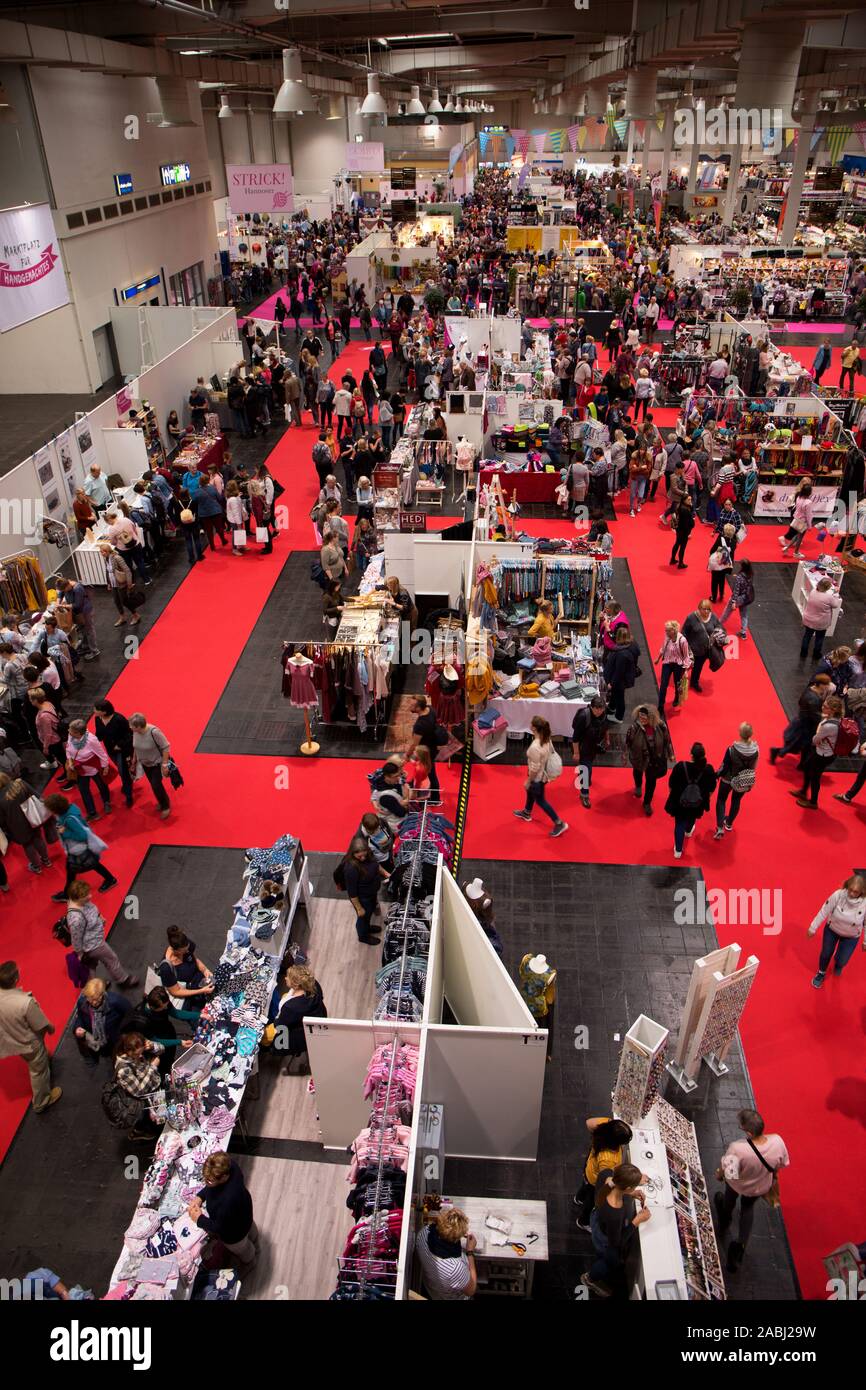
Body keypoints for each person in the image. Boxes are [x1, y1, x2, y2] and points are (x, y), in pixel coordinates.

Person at [715, 1109, 789, 1273]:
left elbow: (730, 1173)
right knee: (748, 1209)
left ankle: (725, 1218)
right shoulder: (777, 1141)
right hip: (760, 1186)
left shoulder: (738, 1149)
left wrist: (719, 1174)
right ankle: (740, 1244)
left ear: (748, 1132)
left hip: (737, 1184)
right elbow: (781, 1163)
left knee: (729, 1199)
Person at [581, 1163, 651, 1299]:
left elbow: (610, 1189)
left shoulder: (606, 1177)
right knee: (609, 1262)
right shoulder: (615, 1213)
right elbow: (617, 1242)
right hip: (605, 1239)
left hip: (596, 1219)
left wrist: (630, 1193)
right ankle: (590, 1279)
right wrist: (637, 1220)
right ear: (628, 1187)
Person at [0, 961, 61, 1113]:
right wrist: (51, 1027)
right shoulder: (25, 1003)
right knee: (38, 1071)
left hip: (11, 1038)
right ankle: (41, 1101)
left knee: (36, 1060)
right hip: (29, 1043)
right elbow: (40, 1024)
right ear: (15, 979)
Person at [189, 1152, 259, 1272]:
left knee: (244, 1249)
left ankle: (251, 1262)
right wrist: (200, 1196)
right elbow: (211, 1186)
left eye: (210, 1181)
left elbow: (219, 1227)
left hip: (234, 1234)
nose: (207, 1182)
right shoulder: (230, 1165)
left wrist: (198, 1218)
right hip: (245, 1211)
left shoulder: (227, 1200)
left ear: (224, 1177)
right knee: (250, 1230)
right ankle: (255, 1240)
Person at [66, 878, 138, 986]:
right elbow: (76, 938)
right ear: (78, 898)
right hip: (93, 945)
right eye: (86, 895)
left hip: (93, 942)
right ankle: (123, 979)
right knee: (111, 959)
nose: (90, 896)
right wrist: (80, 953)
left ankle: (94, 988)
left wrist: (100, 917)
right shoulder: (76, 919)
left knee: (91, 968)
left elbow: (91, 909)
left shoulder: (82, 903)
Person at [573, 1116, 634, 1232]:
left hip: (589, 1169)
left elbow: (588, 1122)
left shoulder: (605, 1128)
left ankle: (579, 1198)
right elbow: (605, 1180)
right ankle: (583, 1221)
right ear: (616, 1142)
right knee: (590, 1202)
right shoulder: (607, 1159)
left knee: (585, 1186)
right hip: (595, 1183)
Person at [513, 715, 568, 838]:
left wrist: (528, 780)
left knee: (541, 801)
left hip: (537, 778)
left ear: (533, 728)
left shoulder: (535, 747)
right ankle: (527, 812)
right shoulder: (546, 738)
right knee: (531, 792)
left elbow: (534, 768)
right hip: (544, 775)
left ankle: (559, 823)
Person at [807, 874, 866, 989]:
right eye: (850, 890)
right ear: (847, 886)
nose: (852, 893)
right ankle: (821, 973)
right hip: (832, 930)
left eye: (856, 892)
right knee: (826, 953)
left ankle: (838, 964)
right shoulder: (838, 895)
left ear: (862, 892)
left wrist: (865, 941)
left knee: (842, 960)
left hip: (851, 936)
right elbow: (824, 910)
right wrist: (813, 927)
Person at [268, 963, 327, 1073]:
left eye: (288, 977)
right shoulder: (314, 984)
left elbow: (280, 1025)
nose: (285, 978)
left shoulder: (291, 1007)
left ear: (295, 984)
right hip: (317, 1020)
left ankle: (270, 1053)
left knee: (264, 1036)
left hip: (297, 1035)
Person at [666, 741, 717, 858]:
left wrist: (674, 797)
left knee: (679, 823)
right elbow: (712, 788)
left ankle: (678, 851)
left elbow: (671, 784)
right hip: (697, 802)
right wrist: (705, 798)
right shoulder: (708, 769)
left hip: (680, 803)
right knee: (692, 817)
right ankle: (688, 831)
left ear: (691, 755)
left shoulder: (680, 766)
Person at [769, 673, 833, 766]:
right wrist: (826, 716)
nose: (828, 686)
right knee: (796, 745)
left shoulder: (810, 689)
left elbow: (801, 703)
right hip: (805, 725)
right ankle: (777, 751)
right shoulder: (813, 698)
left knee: (804, 746)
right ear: (821, 684)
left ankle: (802, 764)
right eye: (826, 684)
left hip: (803, 721)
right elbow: (815, 715)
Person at [791, 694, 843, 809]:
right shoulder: (838, 720)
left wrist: (820, 725)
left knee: (815, 777)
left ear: (832, 710)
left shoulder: (828, 726)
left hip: (822, 755)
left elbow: (815, 740)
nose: (822, 708)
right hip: (827, 753)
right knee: (807, 767)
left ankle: (813, 802)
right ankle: (804, 791)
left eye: (825, 706)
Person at [415, 1207, 477, 1301]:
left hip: (431, 1288)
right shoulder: (455, 1268)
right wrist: (470, 1252)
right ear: (457, 1237)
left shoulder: (424, 1233)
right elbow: (471, 1290)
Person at [113, 1032, 163, 1141]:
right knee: (144, 1118)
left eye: (142, 1052)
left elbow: (162, 1049)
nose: (141, 1056)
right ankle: (139, 1132)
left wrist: (153, 1046)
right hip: (142, 1100)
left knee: (154, 1116)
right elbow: (139, 1091)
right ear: (128, 1051)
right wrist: (152, 1068)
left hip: (152, 1090)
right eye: (137, 1054)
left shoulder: (137, 1045)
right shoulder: (124, 1069)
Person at [624, 705, 673, 816]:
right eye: (640, 717)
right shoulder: (634, 728)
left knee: (651, 783)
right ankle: (638, 786)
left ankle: (647, 803)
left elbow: (667, 741)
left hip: (654, 760)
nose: (642, 719)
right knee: (637, 772)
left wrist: (670, 754)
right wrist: (625, 755)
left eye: (644, 718)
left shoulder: (661, 726)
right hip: (639, 758)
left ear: (651, 717)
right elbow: (628, 742)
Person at [0, 773, 53, 874]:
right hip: (32, 818)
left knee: (28, 845)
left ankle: (37, 867)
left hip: (16, 827)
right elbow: (37, 795)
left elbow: (1, 820)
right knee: (38, 838)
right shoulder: (20, 783)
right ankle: (47, 861)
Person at [73, 977, 132, 1067]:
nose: (93, 1002)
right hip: (93, 1037)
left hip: (113, 1040)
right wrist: (78, 1027)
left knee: (115, 1058)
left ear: (103, 994)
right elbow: (80, 1017)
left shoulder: (115, 1001)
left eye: (96, 998)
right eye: (90, 999)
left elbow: (130, 1013)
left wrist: (122, 1032)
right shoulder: (82, 1002)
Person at [714, 722, 759, 839]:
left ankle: (719, 828)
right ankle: (729, 823)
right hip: (743, 779)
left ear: (740, 733)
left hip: (728, 779)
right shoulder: (755, 750)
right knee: (736, 800)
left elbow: (725, 766)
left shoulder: (732, 749)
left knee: (721, 800)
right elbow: (754, 766)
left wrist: (717, 774)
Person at [343, 834, 390, 944]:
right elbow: (352, 892)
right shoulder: (351, 869)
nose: (363, 858)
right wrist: (359, 908)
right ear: (353, 854)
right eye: (359, 857)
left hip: (372, 893)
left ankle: (367, 928)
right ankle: (363, 936)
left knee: (368, 914)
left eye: (364, 855)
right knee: (363, 917)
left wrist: (385, 873)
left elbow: (376, 865)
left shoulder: (369, 855)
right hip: (362, 898)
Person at [64, 718, 112, 821]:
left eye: (71, 730)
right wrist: (70, 760)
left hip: (93, 767)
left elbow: (102, 754)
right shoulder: (71, 736)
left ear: (78, 733)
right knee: (83, 790)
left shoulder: (91, 740)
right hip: (79, 769)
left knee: (102, 785)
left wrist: (105, 767)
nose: (68, 731)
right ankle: (92, 812)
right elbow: (68, 748)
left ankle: (106, 802)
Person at [158, 925, 214, 1009]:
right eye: (184, 951)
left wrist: (206, 970)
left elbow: (195, 959)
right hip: (189, 995)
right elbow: (175, 992)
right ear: (175, 950)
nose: (187, 951)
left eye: (187, 948)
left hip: (202, 983)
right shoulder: (166, 968)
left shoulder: (185, 944)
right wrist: (201, 991)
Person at [93, 699, 134, 809]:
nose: (94, 711)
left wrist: (120, 745)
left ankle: (129, 795)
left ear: (104, 711)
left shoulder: (119, 719)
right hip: (110, 749)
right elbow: (99, 734)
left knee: (122, 771)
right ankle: (128, 782)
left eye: (96, 709)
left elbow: (129, 735)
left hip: (122, 749)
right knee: (121, 769)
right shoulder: (97, 718)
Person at [129, 713, 172, 818]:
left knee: (155, 785)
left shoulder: (154, 732)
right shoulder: (136, 732)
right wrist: (134, 759)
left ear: (139, 726)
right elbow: (136, 746)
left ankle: (166, 806)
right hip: (145, 763)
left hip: (156, 763)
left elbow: (166, 747)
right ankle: (163, 801)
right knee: (156, 785)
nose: (130, 727)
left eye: (132, 726)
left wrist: (165, 765)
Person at [571, 696, 608, 809]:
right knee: (587, 770)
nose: (599, 711)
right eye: (596, 709)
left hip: (593, 747)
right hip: (583, 748)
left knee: (586, 767)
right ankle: (584, 794)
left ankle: (582, 775)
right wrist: (576, 753)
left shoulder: (603, 714)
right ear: (591, 707)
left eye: (601, 709)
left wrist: (607, 739)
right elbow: (575, 737)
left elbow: (605, 726)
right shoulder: (583, 717)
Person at [682, 599, 725, 693]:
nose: (706, 611)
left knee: (698, 667)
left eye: (708, 609)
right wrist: (684, 646)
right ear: (699, 608)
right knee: (685, 666)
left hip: (706, 650)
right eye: (704, 609)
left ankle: (694, 682)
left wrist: (719, 635)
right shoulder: (691, 618)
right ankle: (681, 680)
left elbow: (719, 627)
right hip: (692, 650)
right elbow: (684, 632)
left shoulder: (712, 617)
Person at [602, 623, 640, 725]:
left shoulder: (622, 653)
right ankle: (612, 707)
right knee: (616, 694)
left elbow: (619, 672)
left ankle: (619, 717)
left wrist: (612, 683)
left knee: (619, 697)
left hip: (620, 680)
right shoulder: (631, 644)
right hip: (625, 677)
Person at [405, 694, 443, 799]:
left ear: (418, 708)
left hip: (426, 751)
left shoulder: (420, 725)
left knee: (430, 773)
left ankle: (435, 798)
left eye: (412, 705)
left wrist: (407, 755)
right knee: (421, 768)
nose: (409, 707)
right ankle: (413, 783)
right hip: (432, 745)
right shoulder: (430, 709)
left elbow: (414, 743)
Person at [54, 577, 99, 660]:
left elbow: (77, 604)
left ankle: (94, 651)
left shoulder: (77, 589)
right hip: (77, 612)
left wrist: (63, 606)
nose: (64, 592)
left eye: (65, 590)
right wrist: (58, 602)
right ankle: (86, 647)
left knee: (89, 630)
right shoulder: (65, 586)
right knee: (82, 629)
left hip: (85, 611)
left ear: (67, 586)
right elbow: (60, 594)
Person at [800, 576, 842, 661]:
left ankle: (803, 653)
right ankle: (816, 654)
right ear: (828, 587)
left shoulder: (813, 592)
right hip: (820, 622)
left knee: (807, 636)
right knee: (819, 638)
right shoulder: (828, 597)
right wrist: (836, 594)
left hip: (809, 619)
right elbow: (835, 605)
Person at [655, 619, 691, 713]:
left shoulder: (682, 640)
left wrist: (686, 670)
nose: (665, 632)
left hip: (678, 665)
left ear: (674, 630)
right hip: (667, 662)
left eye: (667, 630)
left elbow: (686, 656)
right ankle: (660, 705)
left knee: (677, 684)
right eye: (665, 630)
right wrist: (658, 658)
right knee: (663, 685)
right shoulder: (667, 636)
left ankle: (676, 697)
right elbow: (664, 648)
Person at [720, 559, 754, 639]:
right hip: (746, 598)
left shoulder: (739, 577)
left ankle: (718, 625)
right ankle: (743, 633)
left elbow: (736, 590)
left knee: (727, 612)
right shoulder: (751, 574)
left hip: (738, 598)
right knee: (744, 615)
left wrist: (734, 601)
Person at [779, 483, 814, 557]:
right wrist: (810, 526)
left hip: (796, 518)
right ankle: (796, 552)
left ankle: (787, 547)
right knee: (800, 537)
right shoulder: (808, 502)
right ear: (809, 492)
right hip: (803, 521)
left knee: (797, 535)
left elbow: (797, 509)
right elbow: (809, 515)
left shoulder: (798, 498)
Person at [669, 493, 695, 568]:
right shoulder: (685, 510)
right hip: (684, 531)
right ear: (684, 501)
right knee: (682, 547)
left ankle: (673, 559)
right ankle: (680, 563)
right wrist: (689, 531)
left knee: (677, 543)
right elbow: (688, 522)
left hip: (679, 529)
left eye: (691, 499)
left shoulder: (681, 507)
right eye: (689, 500)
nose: (690, 501)